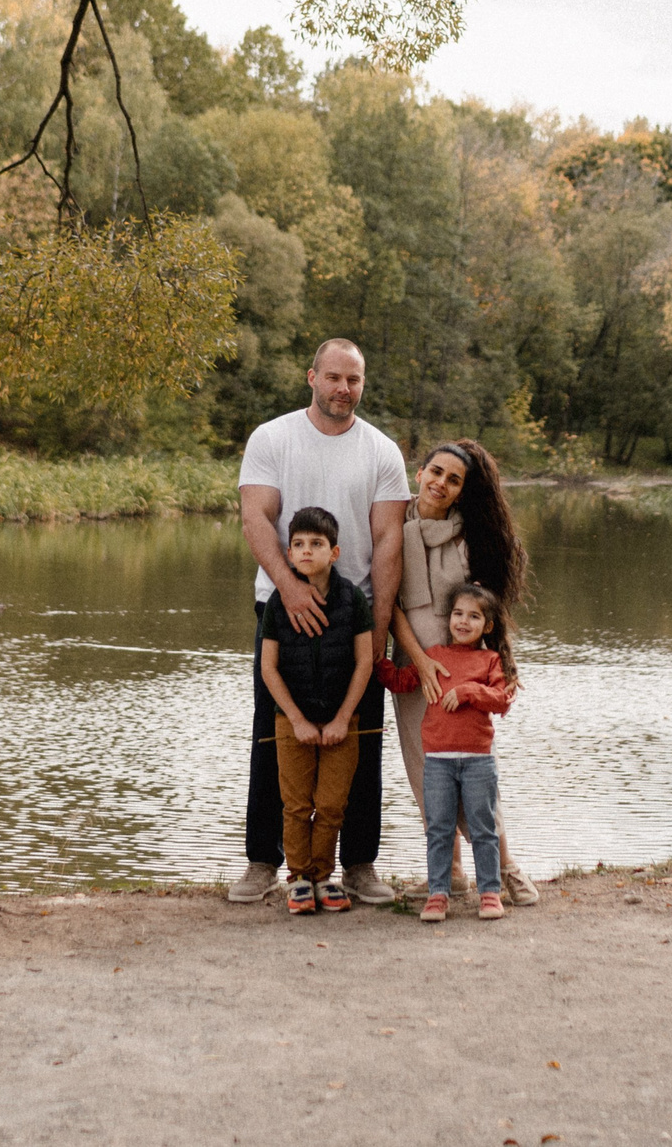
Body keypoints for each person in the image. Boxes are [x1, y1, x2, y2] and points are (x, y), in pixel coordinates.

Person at [232, 339, 411, 906]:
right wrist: (289, 586)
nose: (343, 389)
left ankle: (359, 865)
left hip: (352, 610)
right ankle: (263, 863)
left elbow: (387, 542)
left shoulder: (381, 451)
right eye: (333, 377)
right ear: (312, 376)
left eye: (353, 380)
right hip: (281, 605)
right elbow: (255, 515)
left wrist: (378, 629)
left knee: (357, 740)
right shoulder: (273, 437)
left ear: (362, 383)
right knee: (274, 734)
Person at [388, 439, 540, 904]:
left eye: (454, 480)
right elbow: (390, 602)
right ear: (420, 472)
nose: (441, 484)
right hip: (416, 663)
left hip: (461, 665)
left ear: (462, 491)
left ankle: (505, 866)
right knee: (425, 767)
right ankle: (451, 873)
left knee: (471, 771)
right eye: (436, 472)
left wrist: (476, 669)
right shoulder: (394, 522)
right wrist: (418, 658)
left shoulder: (471, 536)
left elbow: (483, 611)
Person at [257, 507, 376, 914]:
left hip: (344, 722)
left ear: (335, 551)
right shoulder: (278, 601)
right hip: (293, 721)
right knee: (295, 805)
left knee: (330, 804)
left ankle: (324, 875)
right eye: (298, 545)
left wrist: (343, 718)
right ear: (288, 553)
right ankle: (299, 878)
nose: (307, 551)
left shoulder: (352, 599)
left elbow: (364, 663)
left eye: (317, 544)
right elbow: (268, 668)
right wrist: (297, 719)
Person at [378, 585, 515, 922]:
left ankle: (490, 894)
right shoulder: (434, 655)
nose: (463, 622)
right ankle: (439, 894)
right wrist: (370, 660)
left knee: (483, 829)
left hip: (478, 762)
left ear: (488, 626)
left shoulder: (490, 661)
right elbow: (401, 681)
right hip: (438, 762)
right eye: (458, 614)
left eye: (473, 616)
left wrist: (469, 691)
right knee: (438, 829)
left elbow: (502, 701)